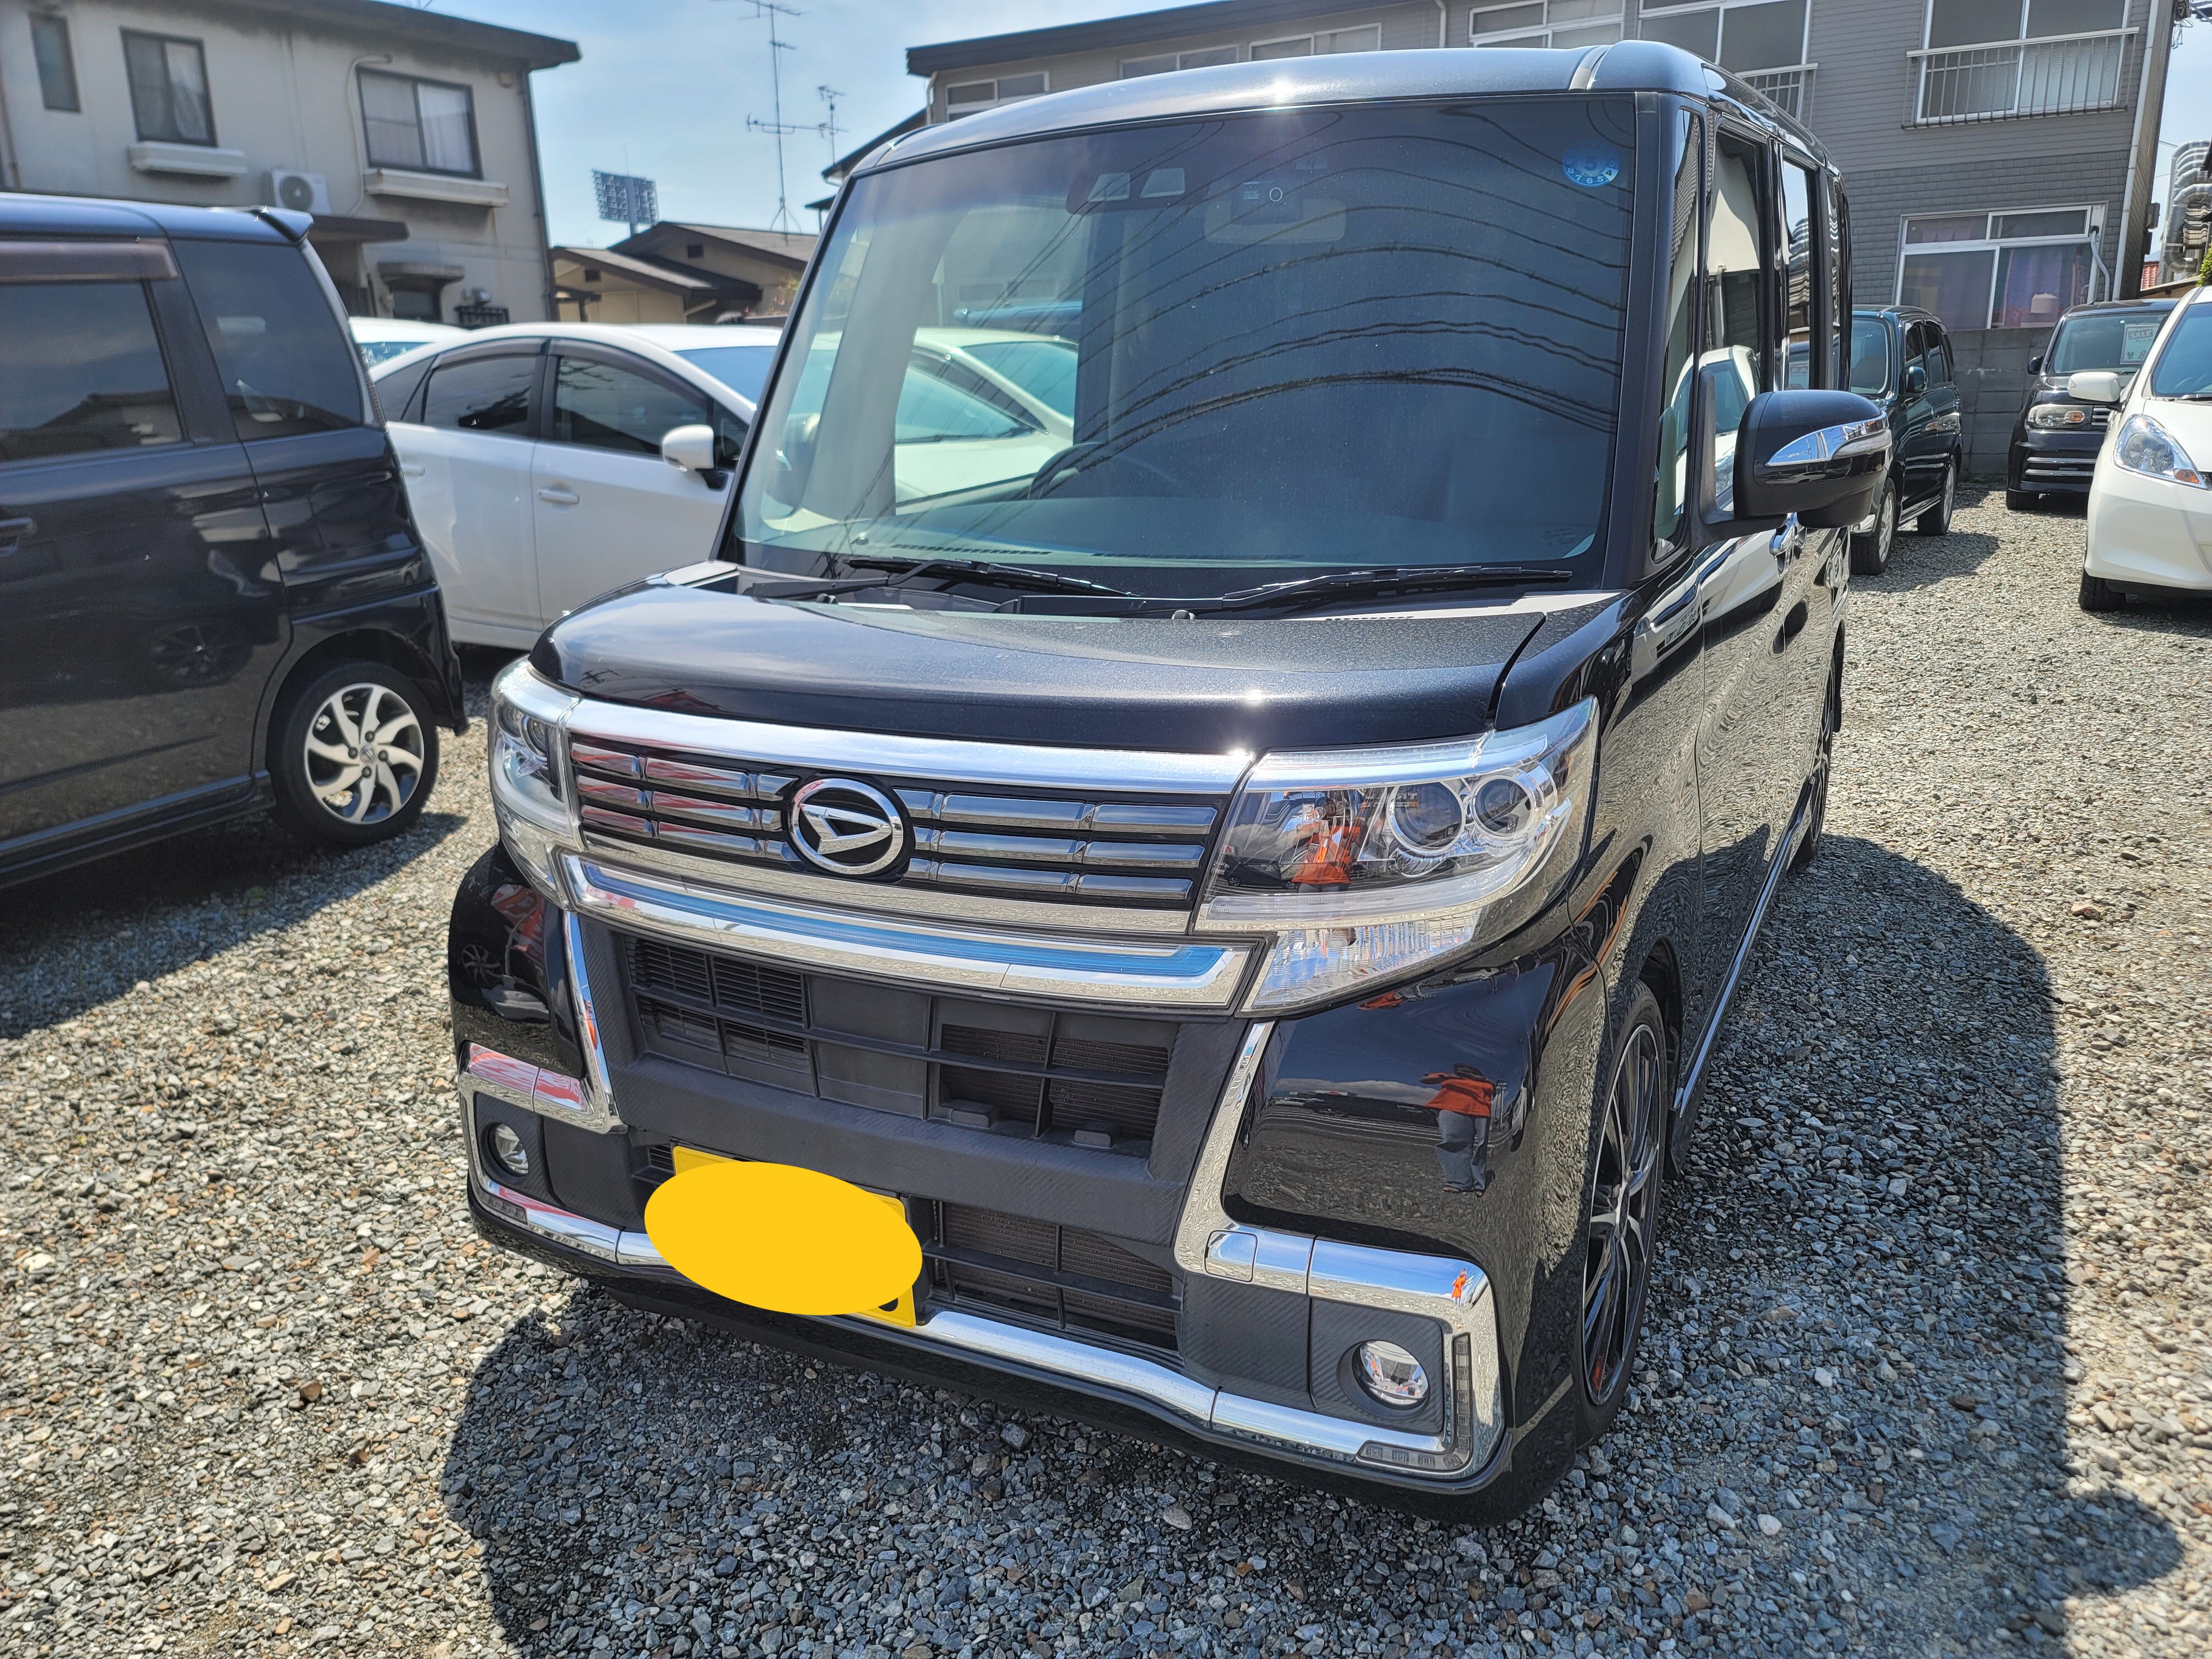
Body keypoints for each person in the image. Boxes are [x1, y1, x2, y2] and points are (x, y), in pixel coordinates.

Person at [1424, 1063, 1497, 1192]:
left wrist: (1485, 1081)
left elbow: (1494, 1092)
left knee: (1481, 1146)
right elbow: (1427, 1079)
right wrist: (1446, 1077)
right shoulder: (1450, 1077)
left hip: (1481, 1109)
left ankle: (1479, 1183)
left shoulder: (1485, 1082)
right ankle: (1461, 1182)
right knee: (1455, 1143)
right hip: (1452, 1107)